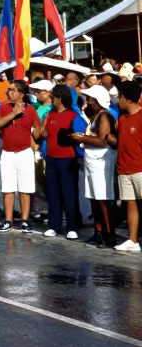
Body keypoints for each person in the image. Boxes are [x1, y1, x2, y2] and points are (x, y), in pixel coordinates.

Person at [0, 79, 42, 233]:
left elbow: (37, 130)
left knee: (25, 188)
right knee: (8, 187)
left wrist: (37, 131)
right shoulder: (4, 107)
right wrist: (13, 114)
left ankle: (25, 220)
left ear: (21, 93)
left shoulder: (31, 109)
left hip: (25, 152)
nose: (9, 92)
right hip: (7, 152)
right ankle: (8, 219)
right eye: (9, 90)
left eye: (12, 90)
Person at [71, 84, 118, 248]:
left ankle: (109, 234)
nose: (88, 101)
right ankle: (99, 231)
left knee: (103, 199)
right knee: (94, 198)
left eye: (90, 99)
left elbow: (101, 140)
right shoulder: (97, 115)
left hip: (101, 161)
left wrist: (81, 138)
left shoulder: (104, 116)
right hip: (92, 161)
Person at [37, 85, 80, 239]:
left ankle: (72, 226)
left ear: (59, 98)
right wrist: (45, 120)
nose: (51, 98)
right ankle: (54, 225)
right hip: (51, 157)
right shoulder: (51, 113)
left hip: (67, 158)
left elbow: (78, 136)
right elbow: (44, 133)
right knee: (53, 192)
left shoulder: (73, 114)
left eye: (53, 96)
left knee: (69, 192)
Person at [110, 82, 142, 252]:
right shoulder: (122, 119)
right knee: (130, 204)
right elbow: (121, 142)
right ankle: (133, 240)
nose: (117, 100)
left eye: (119, 96)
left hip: (140, 169)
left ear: (126, 98)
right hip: (124, 169)